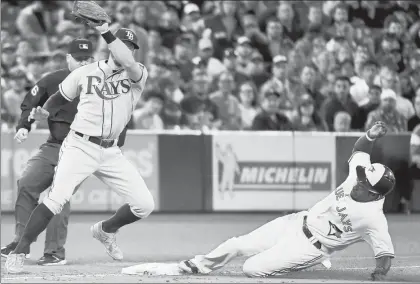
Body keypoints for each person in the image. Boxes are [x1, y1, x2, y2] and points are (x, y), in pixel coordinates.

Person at [128, 122, 395, 281]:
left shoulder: (373, 218)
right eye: (361, 176)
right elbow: (361, 150)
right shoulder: (358, 176)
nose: (359, 179)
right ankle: (198, 265)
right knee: (237, 244)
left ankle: (298, 263)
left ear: (375, 194)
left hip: (313, 247)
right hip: (295, 222)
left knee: (252, 269)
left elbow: (385, 253)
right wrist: (371, 135)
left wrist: (380, 273)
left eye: (364, 182)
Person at [5, 22, 154, 274]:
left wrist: (106, 30)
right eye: (123, 44)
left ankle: (105, 230)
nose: (127, 50)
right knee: (55, 200)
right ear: (110, 48)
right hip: (80, 145)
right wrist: (45, 111)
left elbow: (127, 60)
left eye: (131, 47)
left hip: (110, 151)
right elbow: (60, 96)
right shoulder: (85, 72)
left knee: (144, 205)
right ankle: (20, 250)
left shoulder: (137, 72)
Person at [1, 39, 106, 266]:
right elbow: (31, 102)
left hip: (83, 149)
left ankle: (54, 252)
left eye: (88, 59)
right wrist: (23, 126)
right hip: (55, 144)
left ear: (94, 59)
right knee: (27, 182)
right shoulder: (53, 80)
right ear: (68, 58)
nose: (83, 62)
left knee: (59, 193)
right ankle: (21, 244)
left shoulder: (104, 83)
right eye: (79, 58)